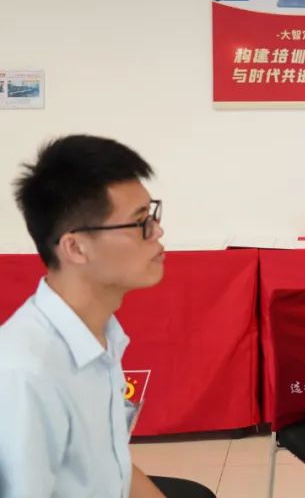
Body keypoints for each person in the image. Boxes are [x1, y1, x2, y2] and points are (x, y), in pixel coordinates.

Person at [0, 135, 215, 498]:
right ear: (76, 247)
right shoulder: (26, 374)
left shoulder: (100, 334)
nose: (157, 231)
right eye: (140, 222)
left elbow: (111, 464)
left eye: (152, 215)